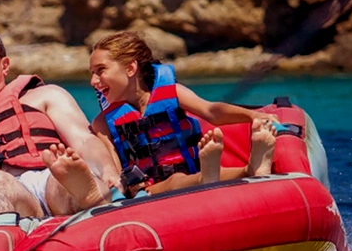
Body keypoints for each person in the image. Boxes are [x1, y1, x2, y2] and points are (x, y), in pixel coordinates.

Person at [0, 23, 122, 220]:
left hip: (52, 173)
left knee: (64, 180)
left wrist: (107, 171)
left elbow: (83, 140)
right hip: (7, 190)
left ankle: (88, 194)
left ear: (4, 65)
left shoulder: (45, 96)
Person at [89, 31, 278, 196]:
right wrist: (129, 183)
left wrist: (252, 116)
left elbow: (211, 111)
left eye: (100, 70)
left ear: (130, 68)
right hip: (148, 190)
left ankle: (251, 169)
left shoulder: (171, 92)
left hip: (191, 171)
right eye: (92, 73)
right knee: (175, 180)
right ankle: (212, 177)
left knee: (185, 177)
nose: (93, 81)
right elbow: (114, 169)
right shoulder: (103, 123)